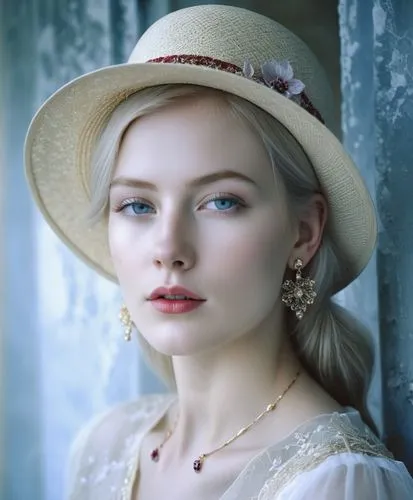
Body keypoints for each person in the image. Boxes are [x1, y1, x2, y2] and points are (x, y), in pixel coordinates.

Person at [24, 4, 413, 499]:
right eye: (137, 204)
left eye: (221, 201)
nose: (169, 249)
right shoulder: (103, 446)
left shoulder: (334, 481)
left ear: (303, 232)